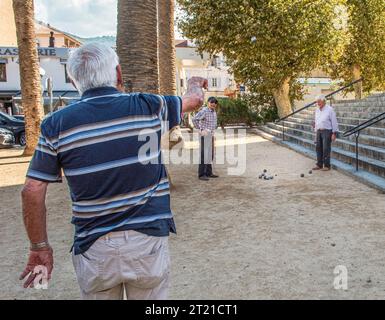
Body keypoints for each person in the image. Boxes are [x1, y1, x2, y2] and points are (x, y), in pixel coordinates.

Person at [19, 43, 207, 300]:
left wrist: (39, 247)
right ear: (118, 74)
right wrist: (195, 82)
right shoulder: (149, 106)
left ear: (75, 82)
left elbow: (32, 189)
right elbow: (194, 100)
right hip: (146, 243)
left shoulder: (56, 125)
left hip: (94, 250)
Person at [192, 97, 219, 181]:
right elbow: (194, 119)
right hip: (204, 135)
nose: (213, 104)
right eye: (211, 102)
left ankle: (208, 173)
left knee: (210, 155)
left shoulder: (214, 111)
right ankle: (201, 174)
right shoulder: (204, 111)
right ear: (208, 103)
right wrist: (200, 130)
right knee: (204, 155)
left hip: (211, 135)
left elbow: (213, 124)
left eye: (215, 102)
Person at [313, 94, 339, 171]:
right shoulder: (317, 110)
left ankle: (327, 165)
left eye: (319, 102)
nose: (318, 103)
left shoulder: (329, 109)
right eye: (317, 102)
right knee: (318, 148)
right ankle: (319, 164)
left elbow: (334, 121)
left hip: (327, 131)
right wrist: (315, 132)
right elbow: (316, 121)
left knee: (326, 148)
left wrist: (334, 133)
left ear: (324, 101)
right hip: (318, 131)